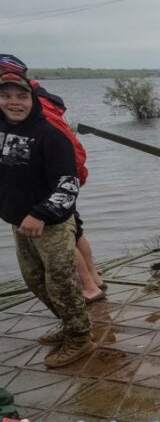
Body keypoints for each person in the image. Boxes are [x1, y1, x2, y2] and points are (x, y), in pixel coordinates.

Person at [0, 71, 94, 367]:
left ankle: (81, 338)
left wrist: (39, 214)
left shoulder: (51, 136)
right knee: (34, 280)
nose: (14, 102)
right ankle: (69, 323)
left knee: (61, 281)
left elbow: (69, 186)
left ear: (34, 100)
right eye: (6, 96)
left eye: (22, 96)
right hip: (19, 222)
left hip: (51, 222)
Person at [0, 54, 105, 301]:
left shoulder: (36, 108)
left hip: (53, 186)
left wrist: (56, 195)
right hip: (63, 179)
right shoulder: (37, 100)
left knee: (62, 234)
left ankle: (89, 289)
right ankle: (94, 280)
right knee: (76, 231)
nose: (14, 100)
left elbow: (48, 148)